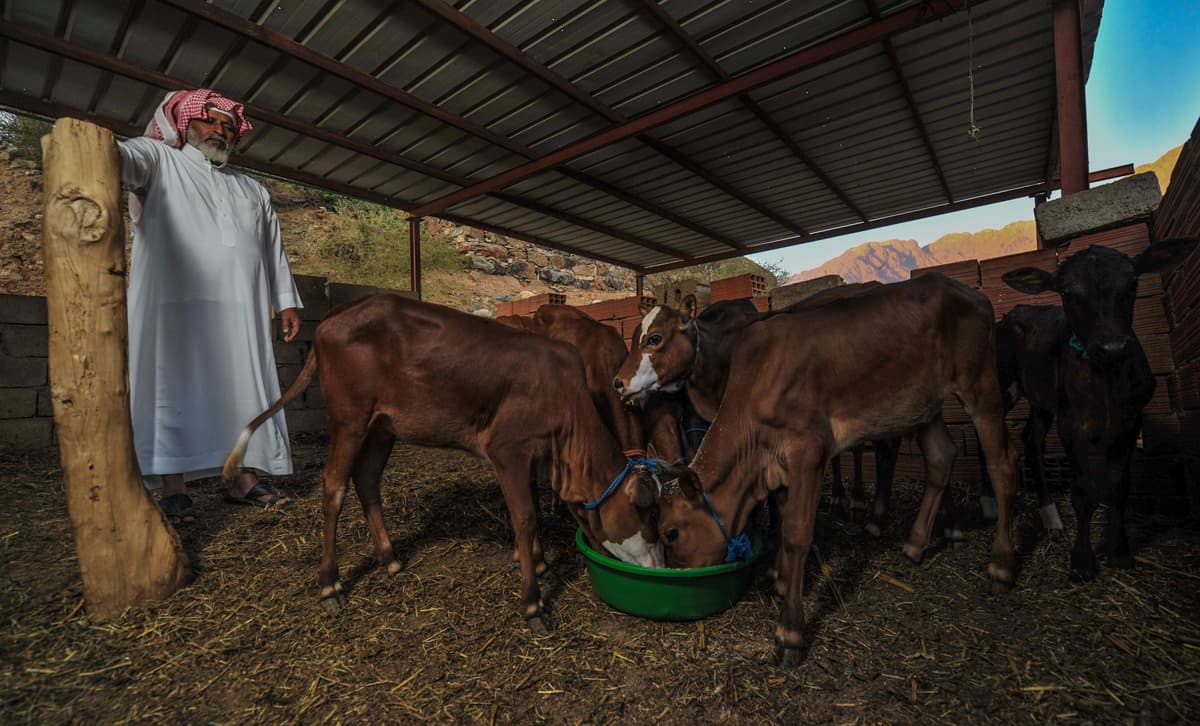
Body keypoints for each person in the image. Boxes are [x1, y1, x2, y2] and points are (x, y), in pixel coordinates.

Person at [118, 88, 303, 524]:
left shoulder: (252, 190)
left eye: (228, 126)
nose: (220, 131)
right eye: (210, 121)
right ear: (184, 125)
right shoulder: (159, 160)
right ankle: (174, 488)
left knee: (241, 386)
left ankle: (241, 479)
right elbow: (120, 161)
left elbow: (272, 249)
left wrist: (286, 301)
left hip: (242, 308)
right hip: (174, 308)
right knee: (171, 388)